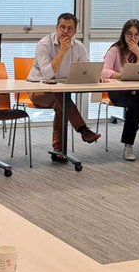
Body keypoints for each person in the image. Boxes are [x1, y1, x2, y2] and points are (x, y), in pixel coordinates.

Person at [26, 12, 101, 161]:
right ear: (56, 28)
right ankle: (83, 130)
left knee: (62, 99)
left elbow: (86, 69)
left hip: (59, 93)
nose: (65, 31)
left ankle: (58, 150)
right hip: (38, 92)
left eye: (69, 28)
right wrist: (61, 52)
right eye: (62, 27)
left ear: (75, 31)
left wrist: (98, 76)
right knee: (61, 95)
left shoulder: (79, 47)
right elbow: (47, 75)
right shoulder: (44, 44)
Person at [100, 18, 139, 162]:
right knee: (137, 101)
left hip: (137, 93)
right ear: (123, 34)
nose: (132, 38)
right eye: (129, 34)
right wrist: (120, 75)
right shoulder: (115, 49)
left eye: (136, 35)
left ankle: (129, 145)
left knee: (135, 103)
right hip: (118, 93)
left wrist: (138, 52)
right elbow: (103, 71)